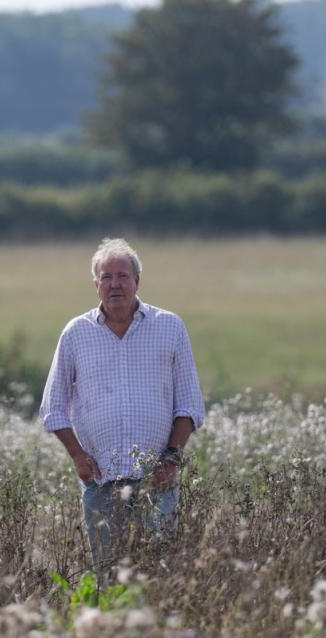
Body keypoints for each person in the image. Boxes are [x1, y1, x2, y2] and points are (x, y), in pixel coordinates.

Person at [39, 238, 204, 574]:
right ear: (96, 285)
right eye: (106, 277)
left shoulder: (169, 326)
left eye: (123, 276)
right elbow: (53, 408)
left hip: (157, 480)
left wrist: (171, 459)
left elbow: (189, 403)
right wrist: (78, 457)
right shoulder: (75, 333)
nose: (115, 284)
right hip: (100, 482)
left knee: (159, 571)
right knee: (108, 573)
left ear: (137, 281)